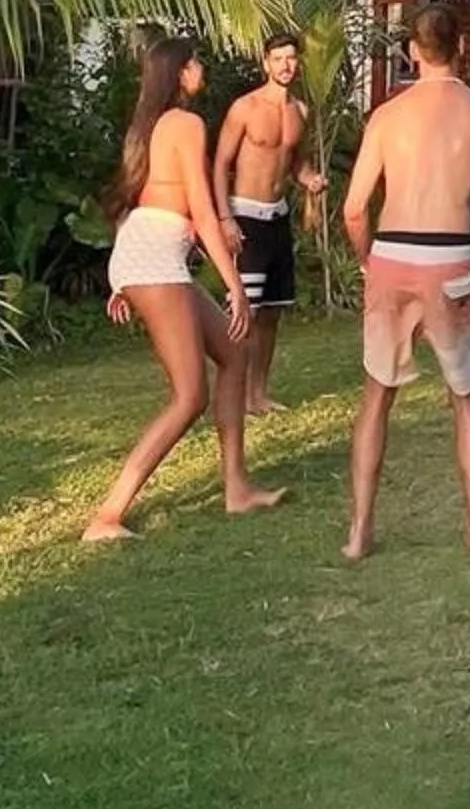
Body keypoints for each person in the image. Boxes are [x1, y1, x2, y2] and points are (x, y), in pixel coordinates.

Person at [84, 32, 287, 541]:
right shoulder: (186, 124)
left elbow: (139, 200)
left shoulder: (149, 125)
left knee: (235, 354)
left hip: (147, 255)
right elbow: (197, 205)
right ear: (180, 72)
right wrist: (235, 284)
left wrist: (121, 276)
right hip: (154, 261)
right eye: (196, 64)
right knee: (189, 396)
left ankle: (237, 489)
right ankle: (107, 516)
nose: (203, 71)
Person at [340, 2, 470, 562]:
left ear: (412, 51)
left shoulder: (386, 117)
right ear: (459, 45)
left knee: (376, 397)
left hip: (391, 255)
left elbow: (353, 210)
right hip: (450, 259)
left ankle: (360, 530)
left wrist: (369, 262)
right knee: (466, 397)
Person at [214, 29, 328, 415]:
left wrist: (310, 179)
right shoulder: (244, 108)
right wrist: (225, 218)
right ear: (265, 63)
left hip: (278, 218)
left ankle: (257, 395)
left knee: (272, 313)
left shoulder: (301, 111)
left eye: (291, 58)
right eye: (278, 59)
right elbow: (219, 165)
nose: (286, 65)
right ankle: (233, 395)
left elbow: (295, 161)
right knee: (244, 311)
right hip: (245, 216)